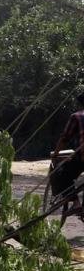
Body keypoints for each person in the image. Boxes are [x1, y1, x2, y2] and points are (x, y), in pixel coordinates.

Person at [51, 92, 84, 221]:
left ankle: (75, 202)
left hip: (82, 158)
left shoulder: (77, 116)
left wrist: (56, 154)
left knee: (62, 173)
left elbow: (65, 138)